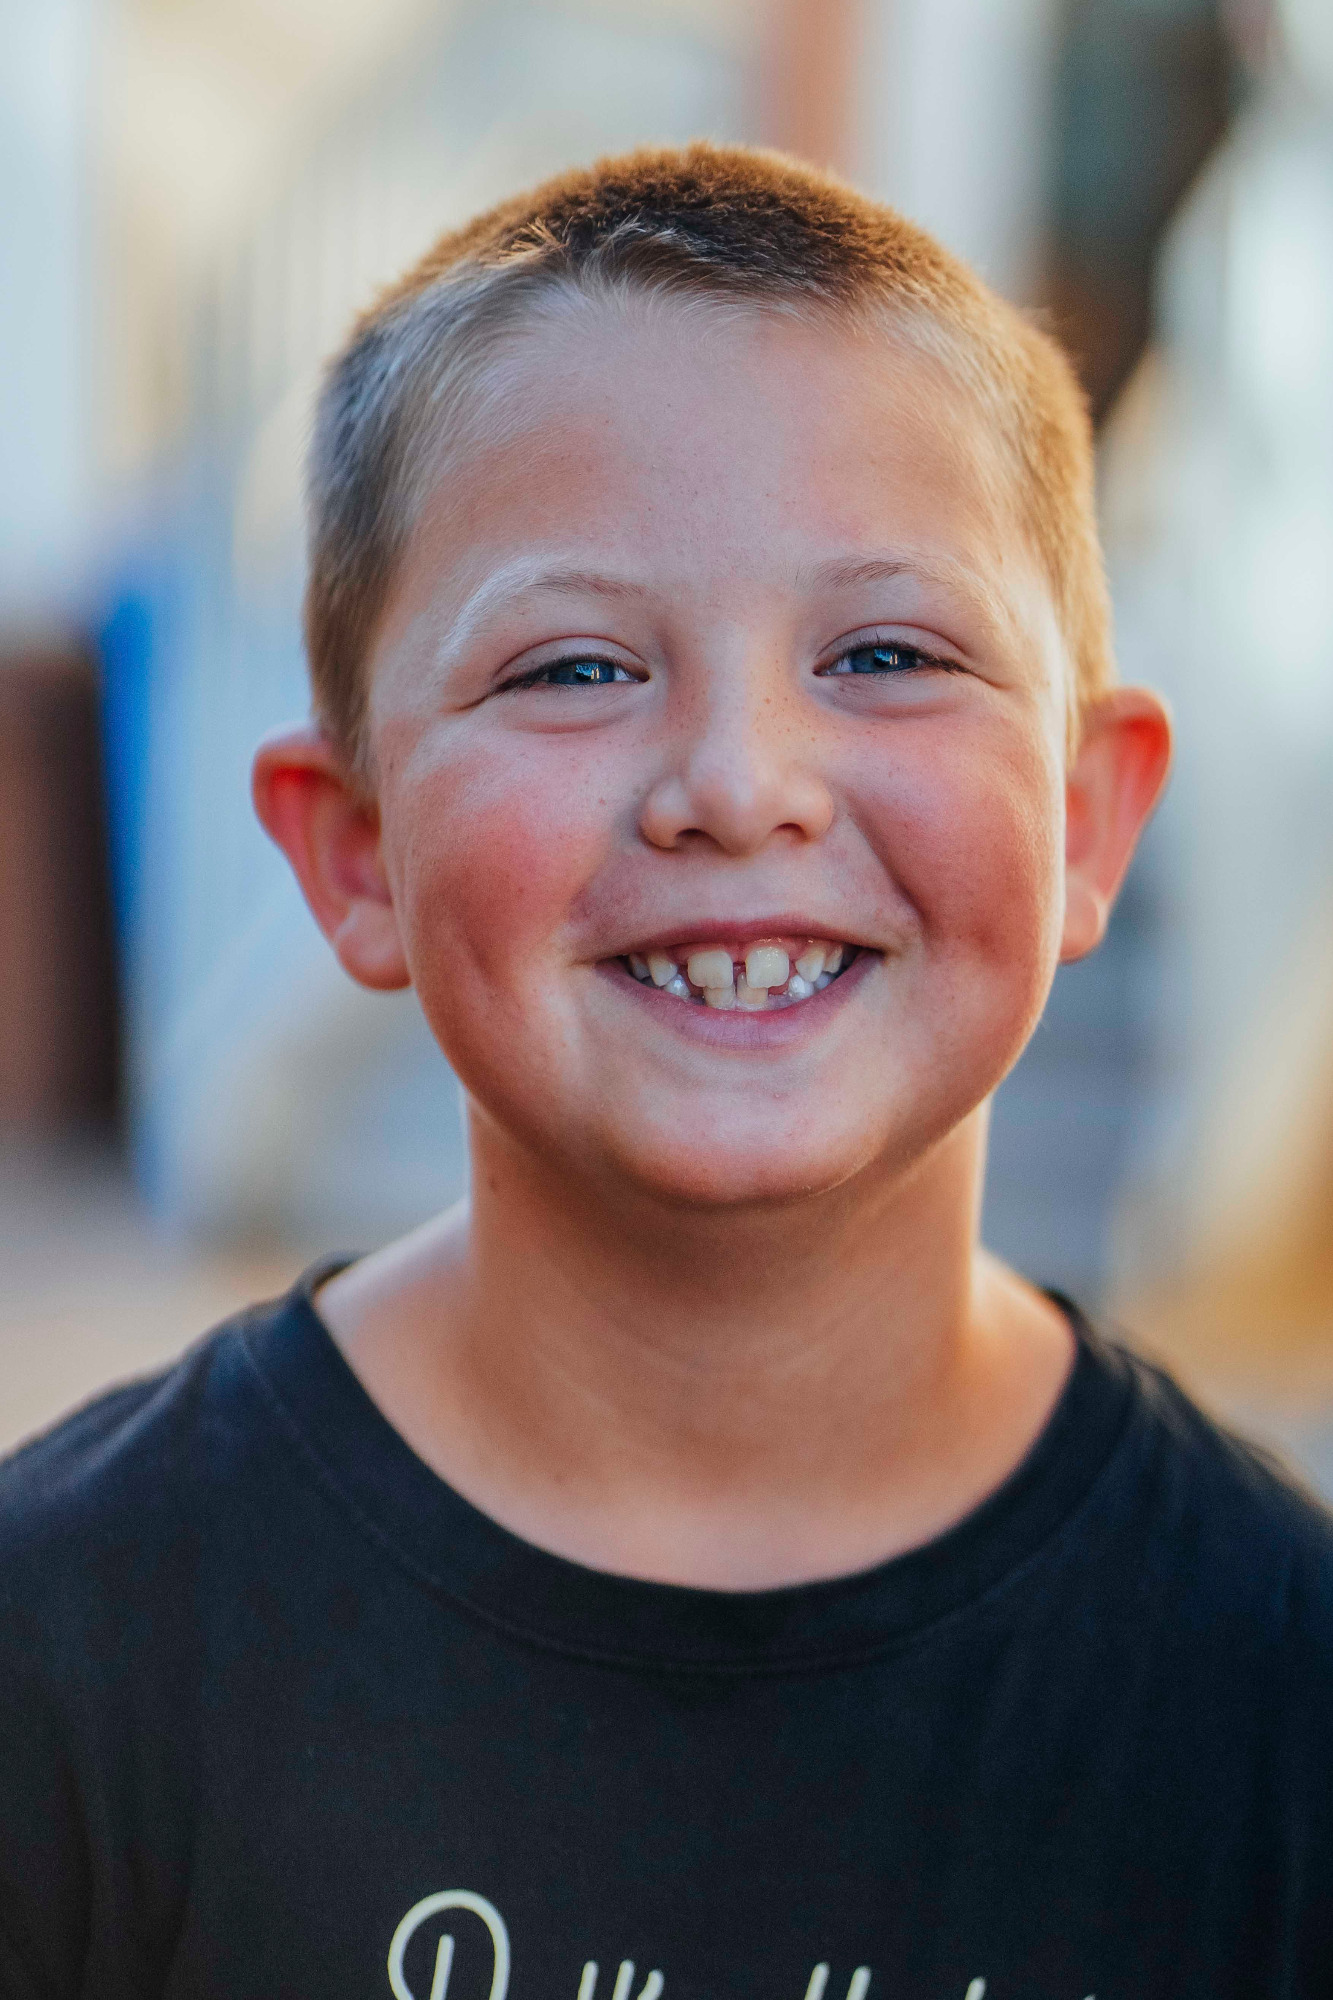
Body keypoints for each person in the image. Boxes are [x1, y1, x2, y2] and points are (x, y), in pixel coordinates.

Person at [1, 143, 1330, 2000]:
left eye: (885, 651)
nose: (737, 783)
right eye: (571, 669)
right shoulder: (70, 1648)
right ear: (353, 851)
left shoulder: (1276, 1689)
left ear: (1086, 818)